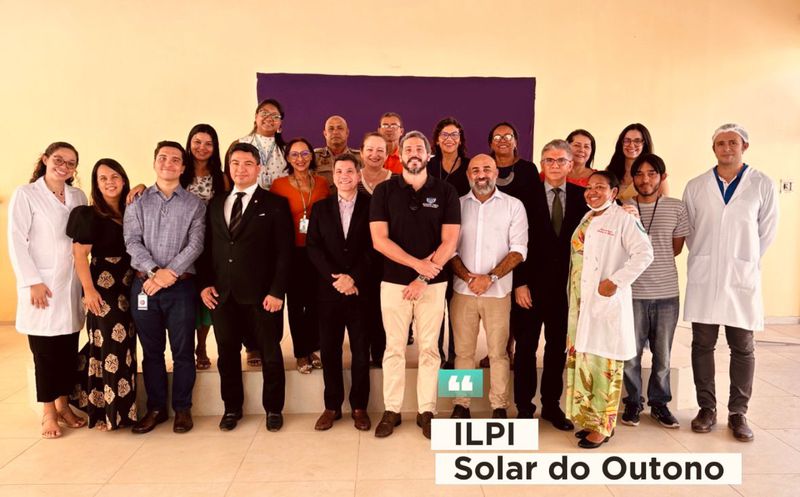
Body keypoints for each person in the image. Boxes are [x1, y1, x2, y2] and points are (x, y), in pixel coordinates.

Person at [683, 123, 779, 442]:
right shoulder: (696, 186)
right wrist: (708, 257)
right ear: (714, 148)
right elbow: (690, 230)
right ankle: (706, 408)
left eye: (733, 143)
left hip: (741, 276)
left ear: (744, 146)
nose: (727, 148)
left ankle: (738, 412)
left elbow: (767, 231)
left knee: (742, 346)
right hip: (705, 275)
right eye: (721, 143)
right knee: (702, 344)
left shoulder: (762, 184)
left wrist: (743, 260)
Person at [370, 130, 460, 439]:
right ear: (399, 153)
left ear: (428, 154)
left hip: (432, 285)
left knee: (430, 349)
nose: (414, 154)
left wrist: (423, 277)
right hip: (393, 283)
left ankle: (427, 411)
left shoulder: (446, 191)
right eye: (408, 149)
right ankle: (392, 410)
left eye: (419, 149)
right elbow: (379, 240)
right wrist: (417, 265)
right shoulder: (384, 191)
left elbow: (450, 241)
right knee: (394, 347)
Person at [199, 143, 292, 433]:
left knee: (270, 354)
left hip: (263, 296)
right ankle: (232, 408)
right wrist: (204, 284)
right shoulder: (216, 203)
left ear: (258, 168)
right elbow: (207, 249)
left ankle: (274, 409)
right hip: (222, 295)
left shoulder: (275, 204)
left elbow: (285, 253)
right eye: (235, 163)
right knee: (226, 355)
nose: (241, 169)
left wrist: (277, 291)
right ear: (228, 167)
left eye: (248, 163)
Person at [128, 124, 229, 370]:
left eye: (208, 143)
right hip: (177, 249)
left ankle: (201, 346)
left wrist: (169, 272)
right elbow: (161, 187)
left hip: (207, 244)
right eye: (197, 142)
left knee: (206, 299)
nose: (202, 147)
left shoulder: (221, 177)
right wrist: (140, 186)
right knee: (163, 336)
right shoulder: (179, 172)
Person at [565, 171, 653, 448]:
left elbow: (645, 254)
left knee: (605, 364)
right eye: (589, 187)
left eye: (600, 187)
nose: (592, 192)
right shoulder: (588, 217)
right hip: (581, 303)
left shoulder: (624, 218)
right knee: (587, 361)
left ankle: (603, 426)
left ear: (614, 192)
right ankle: (591, 420)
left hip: (605, 300)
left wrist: (615, 281)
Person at [124, 140, 206, 434]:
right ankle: (156, 409)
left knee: (183, 351)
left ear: (183, 167)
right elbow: (132, 241)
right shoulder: (137, 201)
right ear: (154, 162)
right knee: (152, 352)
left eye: (175, 160)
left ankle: (183, 408)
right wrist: (155, 273)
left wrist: (168, 274)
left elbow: (196, 244)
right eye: (162, 158)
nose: (168, 163)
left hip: (181, 287)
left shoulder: (195, 204)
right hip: (144, 286)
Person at [8, 142, 88, 438]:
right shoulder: (26, 194)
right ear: (45, 159)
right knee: (44, 353)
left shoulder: (78, 196)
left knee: (67, 349)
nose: (64, 166)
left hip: (70, 285)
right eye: (58, 160)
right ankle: (49, 412)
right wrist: (32, 281)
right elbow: (16, 240)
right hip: (41, 286)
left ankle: (64, 406)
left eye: (70, 163)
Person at [511, 139, 588, 428]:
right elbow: (515, 243)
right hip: (529, 288)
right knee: (525, 348)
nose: (555, 165)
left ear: (571, 164)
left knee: (557, 349)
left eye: (561, 160)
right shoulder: (523, 196)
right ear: (542, 164)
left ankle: (552, 406)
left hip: (565, 290)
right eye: (549, 160)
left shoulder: (583, 198)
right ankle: (524, 407)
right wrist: (519, 282)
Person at [449, 154, 527, 420]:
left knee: (498, 353)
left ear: (496, 173)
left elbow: (519, 250)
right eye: (475, 170)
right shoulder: (457, 205)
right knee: (463, 352)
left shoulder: (513, 206)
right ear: (468, 175)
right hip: (463, 291)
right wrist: (468, 278)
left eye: (486, 169)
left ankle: (499, 406)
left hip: (498, 293)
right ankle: (461, 404)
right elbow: (449, 248)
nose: (481, 175)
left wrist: (490, 278)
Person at [68, 158, 137, 431]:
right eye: (103, 178)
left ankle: (116, 410)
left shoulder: (132, 209)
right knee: (111, 347)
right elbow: (79, 254)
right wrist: (89, 291)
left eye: (115, 176)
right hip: (102, 289)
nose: (110, 182)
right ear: (96, 184)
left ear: (124, 179)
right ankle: (108, 414)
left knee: (124, 346)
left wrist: (142, 187)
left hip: (129, 286)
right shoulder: (88, 214)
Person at [621, 153, 689, 429]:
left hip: (666, 293)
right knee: (630, 354)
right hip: (632, 293)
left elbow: (676, 248)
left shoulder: (676, 207)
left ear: (662, 177)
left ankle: (660, 404)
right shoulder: (623, 208)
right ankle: (633, 402)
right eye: (639, 174)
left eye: (652, 173)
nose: (645, 179)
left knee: (663, 356)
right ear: (633, 178)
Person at [307, 153, 374, 431]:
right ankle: (332, 406)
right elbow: (313, 247)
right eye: (339, 171)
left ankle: (359, 407)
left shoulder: (372, 205)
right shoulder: (320, 208)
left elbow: (375, 247)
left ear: (358, 175)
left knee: (360, 351)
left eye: (349, 171)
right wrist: (335, 278)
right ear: (332, 176)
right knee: (330, 350)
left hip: (360, 290)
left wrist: (353, 277)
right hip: (329, 291)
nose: (344, 176)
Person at [270, 138, 330, 373]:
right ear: (287, 158)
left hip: (318, 250)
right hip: (291, 251)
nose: (300, 159)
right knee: (296, 304)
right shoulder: (279, 185)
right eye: (294, 154)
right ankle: (301, 353)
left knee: (316, 302)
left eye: (305, 153)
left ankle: (313, 347)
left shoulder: (322, 183)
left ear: (311, 156)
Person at [427, 117, 471, 367]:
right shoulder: (428, 165)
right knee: (434, 309)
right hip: (433, 244)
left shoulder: (469, 166)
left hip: (462, 243)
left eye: (454, 134)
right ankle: (437, 357)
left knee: (457, 309)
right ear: (436, 139)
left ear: (461, 139)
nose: (449, 139)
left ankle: (455, 358)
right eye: (444, 134)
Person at [357, 132, 393, 366]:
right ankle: (362, 352)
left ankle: (381, 353)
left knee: (384, 306)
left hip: (387, 254)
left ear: (387, 154)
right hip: (358, 254)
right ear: (361, 152)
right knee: (362, 305)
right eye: (370, 149)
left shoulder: (396, 181)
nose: (374, 154)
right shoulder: (351, 178)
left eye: (380, 150)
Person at [606, 123, 669, 200]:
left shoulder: (656, 172)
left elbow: (664, 202)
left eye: (637, 141)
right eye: (627, 140)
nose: (631, 145)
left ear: (645, 144)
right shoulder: (610, 170)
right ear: (621, 143)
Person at [238, 98, 287, 190]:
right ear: (256, 116)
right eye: (264, 113)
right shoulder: (239, 145)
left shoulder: (287, 150)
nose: (269, 118)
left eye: (275, 116)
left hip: (279, 198)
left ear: (280, 123)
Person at [314, 115, 361, 190]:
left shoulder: (360, 158)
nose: (335, 132)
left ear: (347, 132)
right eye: (331, 129)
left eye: (340, 128)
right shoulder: (314, 157)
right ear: (325, 134)